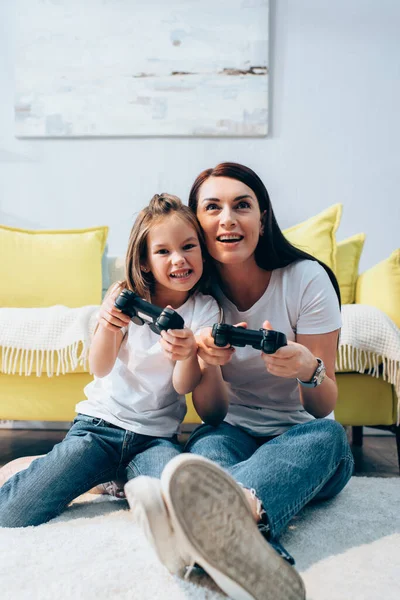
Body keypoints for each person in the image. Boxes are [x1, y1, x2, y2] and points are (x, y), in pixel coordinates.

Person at [124, 164, 354, 600]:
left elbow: (323, 406)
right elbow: (212, 413)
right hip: (233, 431)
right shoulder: (198, 295)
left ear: (262, 218)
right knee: (205, 447)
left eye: (242, 205)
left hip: (303, 436)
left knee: (327, 436)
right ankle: (244, 549)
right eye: (213, 207)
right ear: (198, 222)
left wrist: (308, 368)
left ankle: (202, 523)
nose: (227, 218)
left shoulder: (306, 279)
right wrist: (209, 364)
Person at [0, 193, 227, 534]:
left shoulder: (205, 309)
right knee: (13, 514)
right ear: (146, 260)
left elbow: (183, 386)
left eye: (188, 247)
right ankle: (74, 471)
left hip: (156, 438)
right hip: (98, 427)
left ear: (202, 251)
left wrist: (186, 353)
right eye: (163, 251)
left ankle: (109, 480)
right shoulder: (126, 294)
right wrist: (107, 324)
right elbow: (100, 366)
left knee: (175, 511)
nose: (178, 260)